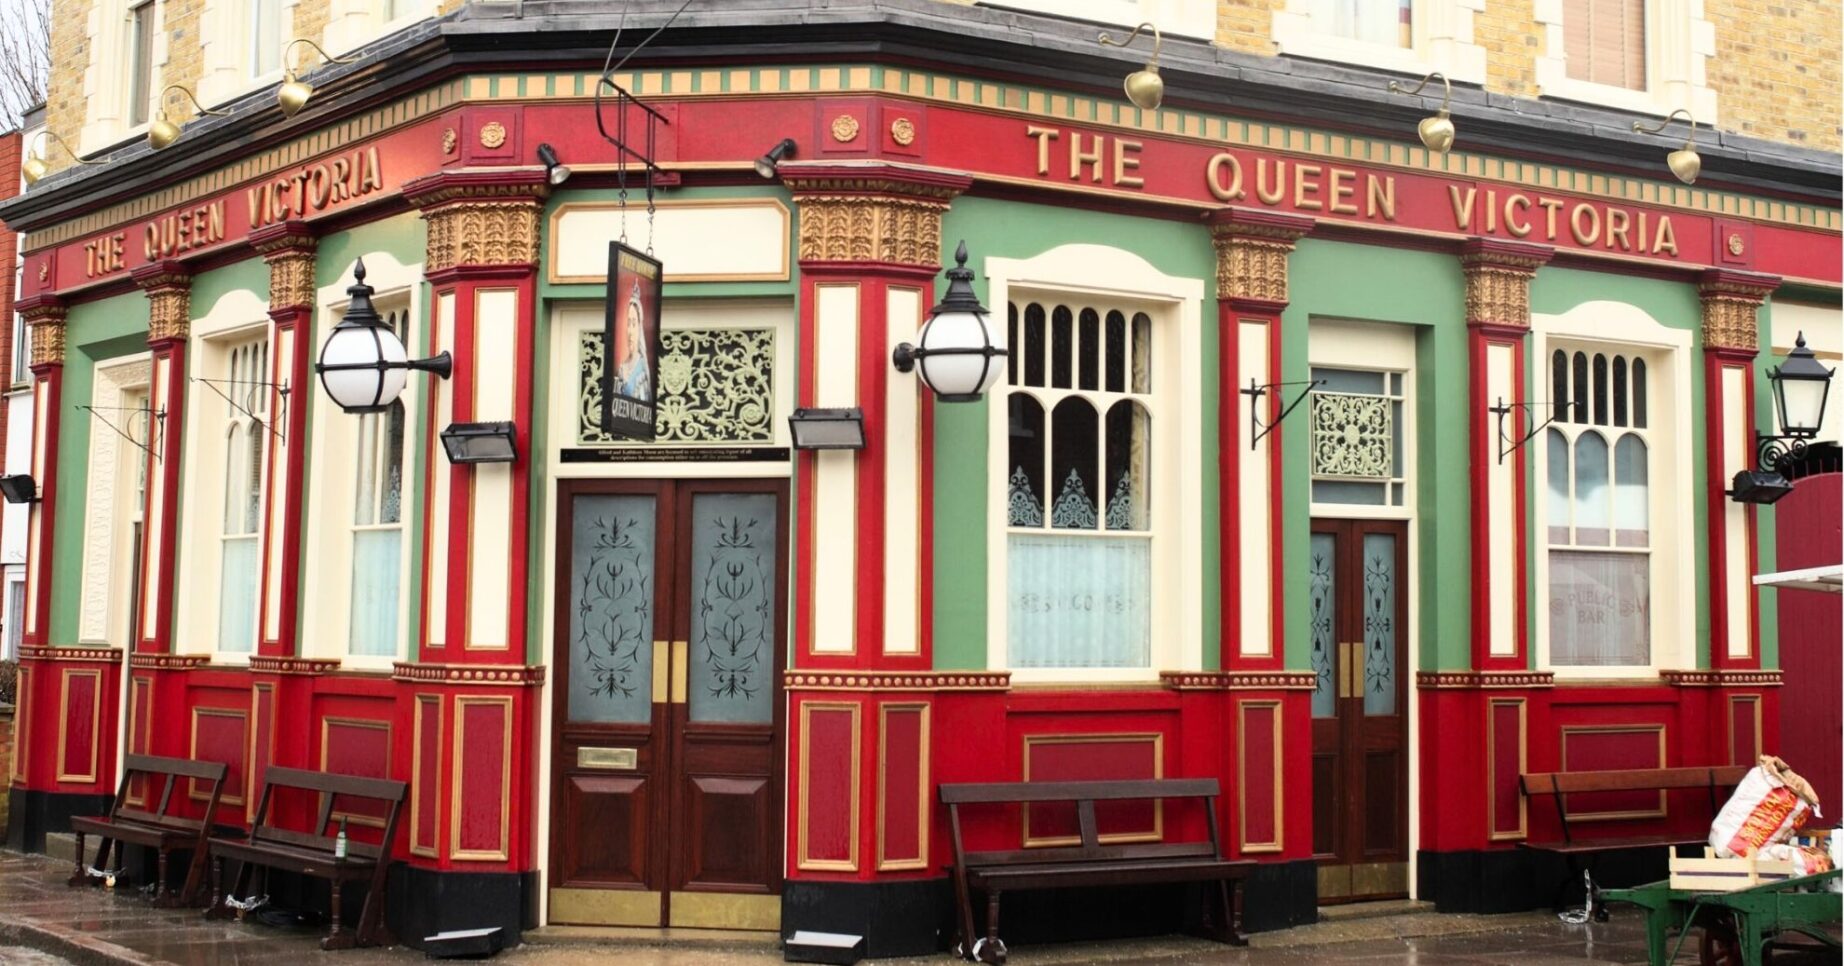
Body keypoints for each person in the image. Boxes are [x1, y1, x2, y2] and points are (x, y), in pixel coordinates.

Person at [616, 280, 652, 402]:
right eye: (628, 323)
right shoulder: (622, 368)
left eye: (634, 323)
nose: (630, 331)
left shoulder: (642, 369)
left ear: (639, 327)